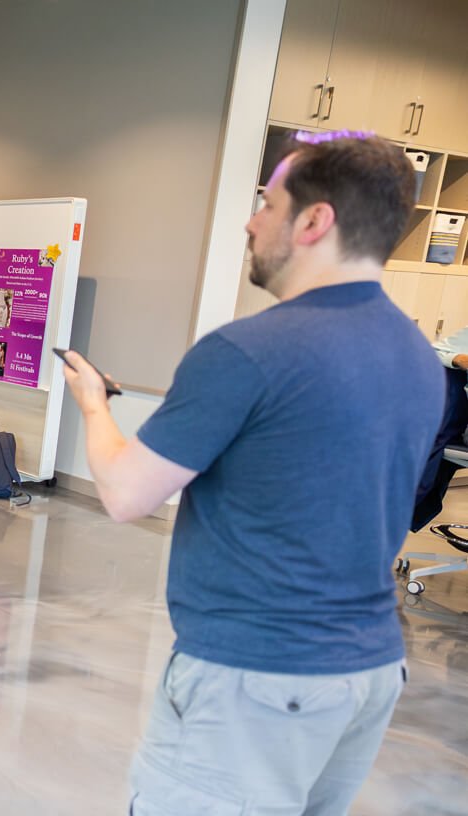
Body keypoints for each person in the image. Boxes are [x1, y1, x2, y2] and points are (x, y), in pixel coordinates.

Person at [59, 133, 439, 813]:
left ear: (314, 221)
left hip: (257, 678)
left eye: (267, 203)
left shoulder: (246, 350)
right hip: (369, 672)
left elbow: (123, 492)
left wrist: (92, 404)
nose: (250, 220)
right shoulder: (416, 355)